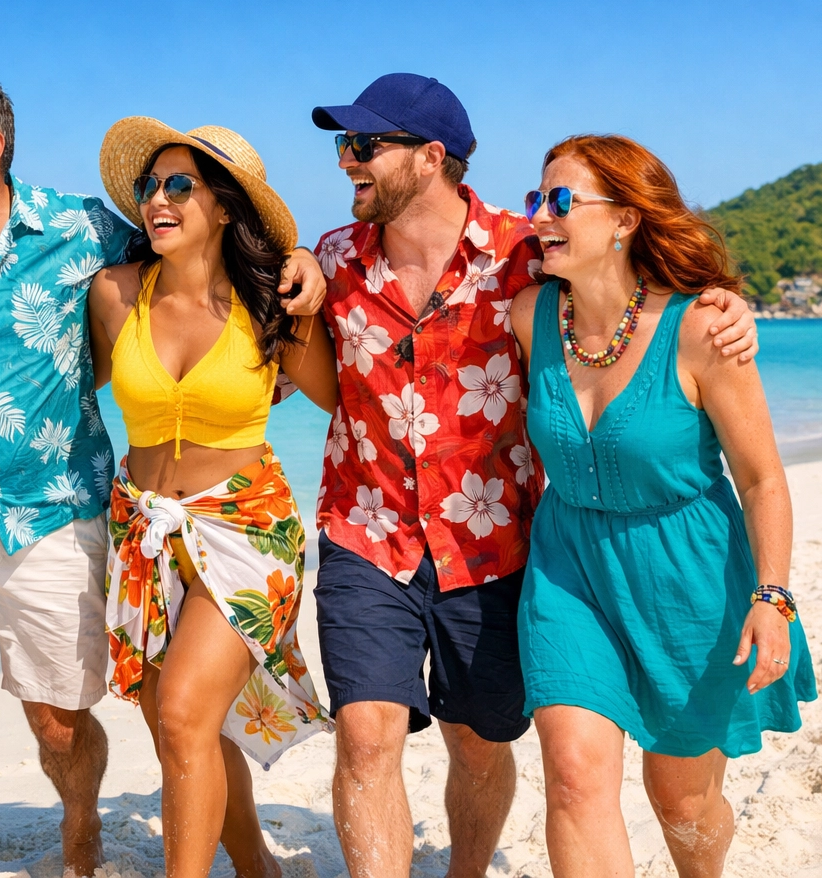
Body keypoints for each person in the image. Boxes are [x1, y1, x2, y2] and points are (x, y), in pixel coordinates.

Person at [0, 69, 326, 878]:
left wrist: (304, 258)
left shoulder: (86, 235)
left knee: (74, 723)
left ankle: (83, 821)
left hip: (62, 506)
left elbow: (209, 258)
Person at [306, 74, 761, 878]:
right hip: (364, 525)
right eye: (345, 144)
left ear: (431, 157)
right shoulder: (335, 257)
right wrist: (293, 285)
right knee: (367, 736)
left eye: (364, 144)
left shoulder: (528, 251)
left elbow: (626, 293)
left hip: (492, 542)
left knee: (482, 747)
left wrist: (721, 302)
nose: (348, 161)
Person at [509, 135, 815, 877]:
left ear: (623, 221)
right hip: (568, 567)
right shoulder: (528, 315)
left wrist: (772, 596)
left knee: (681, 801)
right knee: (575, 776)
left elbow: (762, 479)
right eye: (534, 200)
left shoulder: (704, 331)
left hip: (688, 574)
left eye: (560, 202)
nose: (540, 218)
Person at [88, 119, 336, 878]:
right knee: (185, 732)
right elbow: (59, 387)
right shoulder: (115, 293)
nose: (156, 199)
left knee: (186, 714)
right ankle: (256, 868)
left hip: (246, 530)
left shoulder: (273, 304)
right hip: (145, 529)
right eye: (148, 186)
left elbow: (338, 397)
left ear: (226, 207)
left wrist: (314, 284)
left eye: (179, 185)